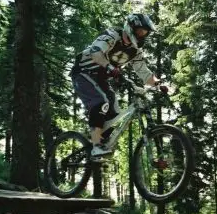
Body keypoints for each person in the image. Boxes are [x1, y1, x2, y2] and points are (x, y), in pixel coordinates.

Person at [70, 13, 168, 162]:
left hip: (100, 78)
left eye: (145, 33)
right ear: (131, 27)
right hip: (83, 73)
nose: (142, 35)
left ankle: (98, 143)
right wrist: (109, 67)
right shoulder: (112, 35)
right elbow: (95, 52)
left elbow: (143, 72)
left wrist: (158, 84)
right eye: (141, 31)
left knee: (113, 114)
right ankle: (96, 145)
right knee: (101, 102)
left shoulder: (135, 50)